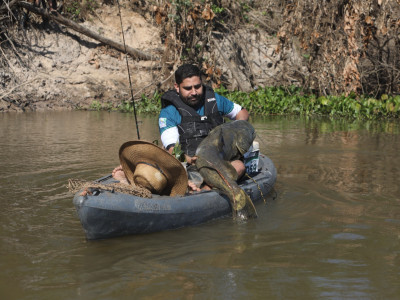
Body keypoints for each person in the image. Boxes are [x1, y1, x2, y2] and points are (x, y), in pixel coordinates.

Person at [158, 63, 250, 191]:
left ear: (202, 83)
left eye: (197, 86)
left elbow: (243, 113)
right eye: (188, 88)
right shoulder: (168, 113)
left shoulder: (214, 100)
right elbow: (173, 150)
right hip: (189, 165)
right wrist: (192, 161)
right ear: (177, 87)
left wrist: (234, 131)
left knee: (239, 166)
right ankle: (199, 186)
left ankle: (207, 187)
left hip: (218, 163)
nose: (194, 92)